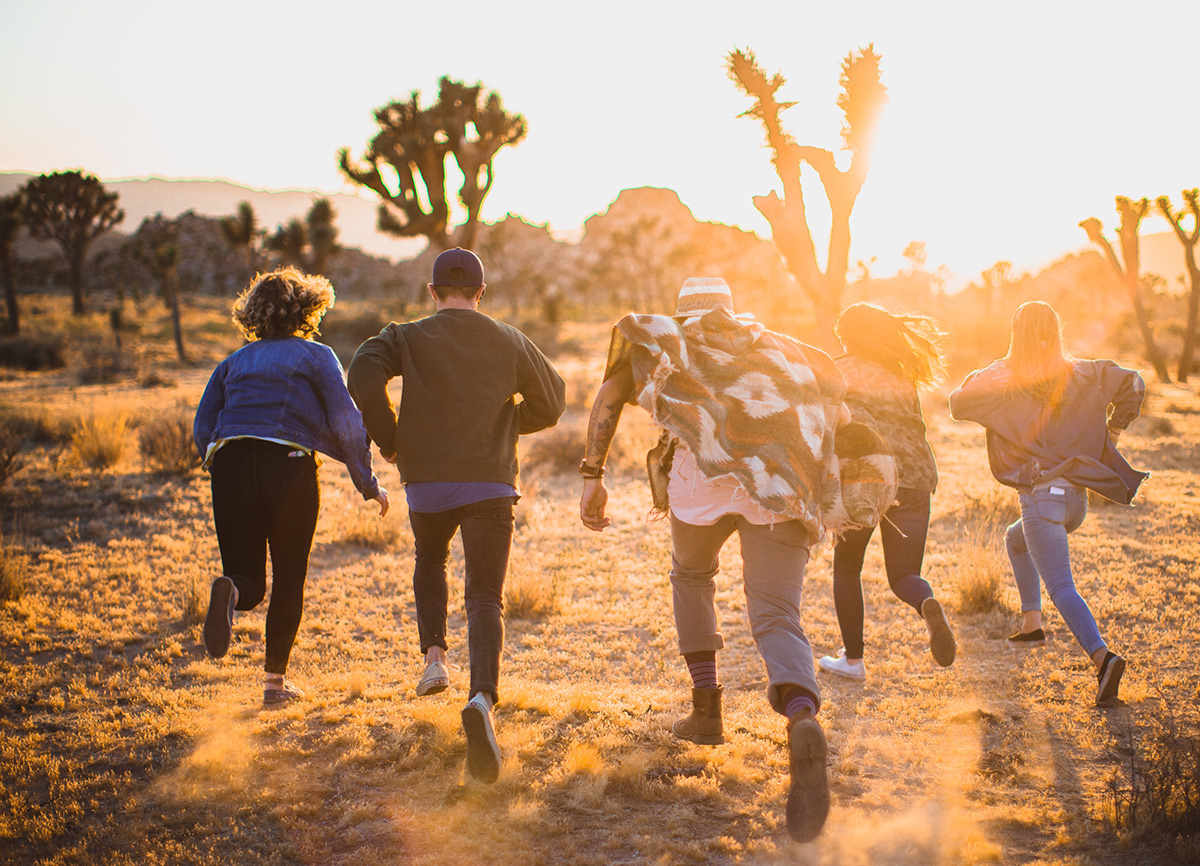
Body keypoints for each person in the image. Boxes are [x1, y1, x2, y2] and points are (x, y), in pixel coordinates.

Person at [579, 277, 851, 844]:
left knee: (692, 578)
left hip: (696, 490)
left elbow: (608, 396)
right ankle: (801, 713)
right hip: (774, 487)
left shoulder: (668, 343)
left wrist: (592, 474)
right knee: (776, 612)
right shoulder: (776, 346)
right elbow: (835, 394)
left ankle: (706, 712)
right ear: (731, 309)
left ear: (682, 313)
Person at [347, 247, 565, 784]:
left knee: (430, 558)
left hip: (427, 483)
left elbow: (360, 374)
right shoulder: (510, 339)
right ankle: (483, 700)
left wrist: (391, 437)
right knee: (485, 595)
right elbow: (554, 400)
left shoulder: (405, 336)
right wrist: (509, 421)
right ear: (481, 293)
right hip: (491, 479)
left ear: (433, 291)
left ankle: (435, 661)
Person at [194, 267, 389, 707]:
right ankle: (273, 687)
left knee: (249, 580)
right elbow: (346, 422)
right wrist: (368, 483)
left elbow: (204, 422)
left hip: (231, 461)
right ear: (307, 309)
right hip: (288, 465)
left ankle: (231, 589)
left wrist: (216, 461)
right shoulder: (316, 356)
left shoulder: (234, 361)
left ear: (253, 313)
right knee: (288, 578)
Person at [949, 300, 1147, 707]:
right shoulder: (1083, 371)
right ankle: (1032, 622)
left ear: (1015, 336)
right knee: (1014, 539)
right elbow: (1135, 383)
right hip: (1075, 501)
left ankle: (1103, 658)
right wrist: (1114, 430)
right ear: (1056, 332)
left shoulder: (1007, 377)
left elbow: (958, 401)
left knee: (1061, 585)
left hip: (1041, 498)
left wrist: (997, 364)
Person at [819, 303, 956, 681]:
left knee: (847, 568)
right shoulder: (901, 375)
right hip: (915, 477)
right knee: (904, 575)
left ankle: (853, 660)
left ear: (849, 336)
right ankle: (925, 601)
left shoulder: (838, 370)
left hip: (865, 480)